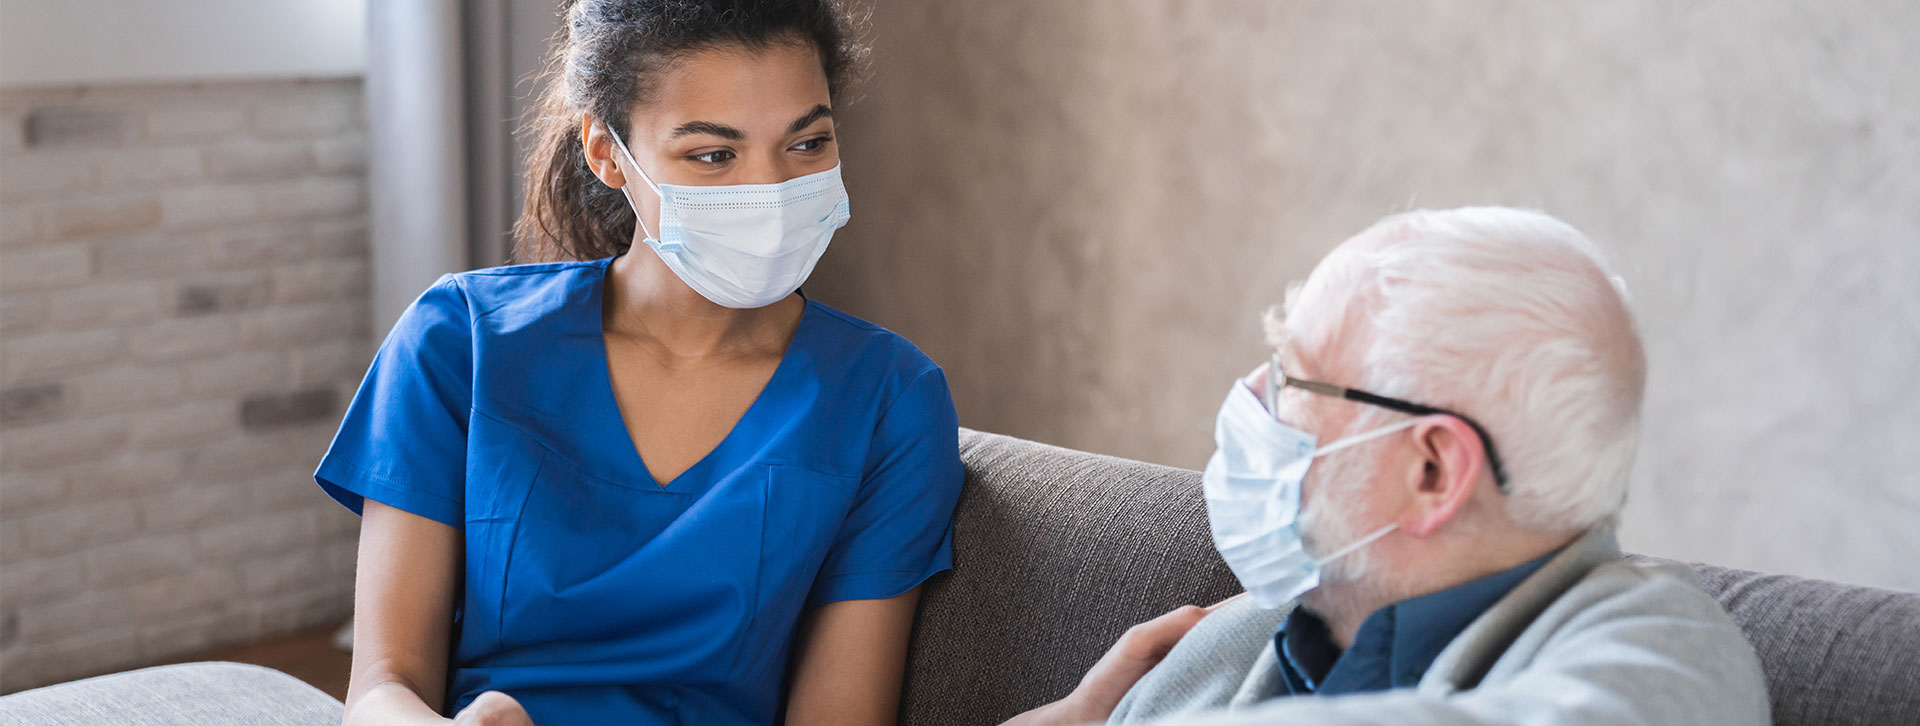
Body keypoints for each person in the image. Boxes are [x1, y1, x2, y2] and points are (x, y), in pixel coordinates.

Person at [313, 2, 963, 724]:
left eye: (807, 143)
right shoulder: (459, 342)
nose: (770, 190)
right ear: (606, 152)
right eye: (714, 155)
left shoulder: (890, 399)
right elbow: (382, 686)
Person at [1010, 207, 1770, 725]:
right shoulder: (1229, 637)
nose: (1249, 400)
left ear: (1433, 471)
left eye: (1292, 377)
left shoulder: (1665, 643)